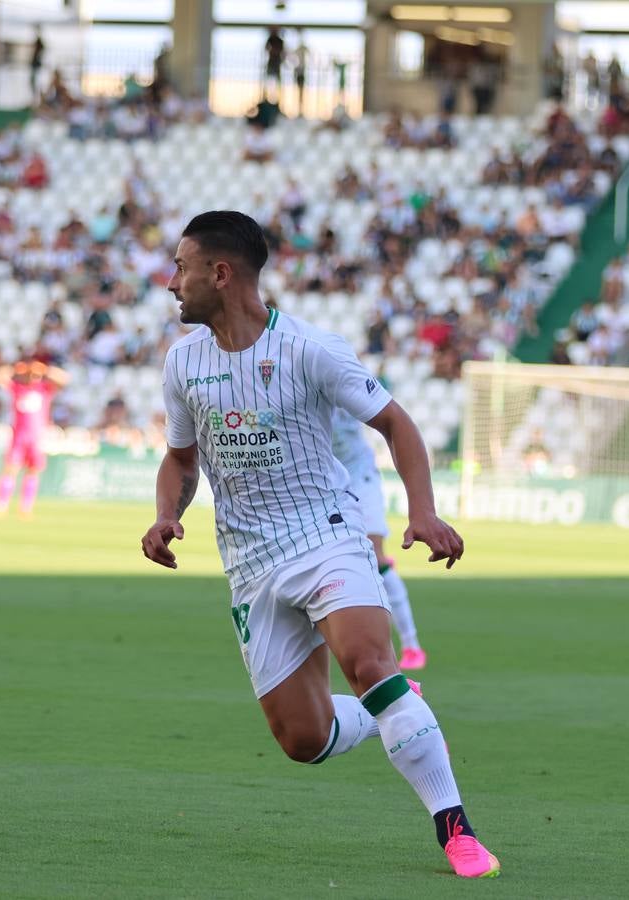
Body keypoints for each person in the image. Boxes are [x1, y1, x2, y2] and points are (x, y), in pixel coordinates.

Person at [141, 211, 498, 878]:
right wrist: (167, 514)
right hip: (248, 562)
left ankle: (455, 827)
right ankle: (392, 709)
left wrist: (422, 511)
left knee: (366, 660)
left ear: (220, 274)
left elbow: (397, 423)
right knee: (304, 740)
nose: (171, 282)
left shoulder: (312, 349)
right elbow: (181, 461)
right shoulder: (183, 362)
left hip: (323, 535)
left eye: (181, 267)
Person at [331, 406, 427, 669]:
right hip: (328, 481)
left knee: (377, 558)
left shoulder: (334, 374)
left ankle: (411, 646)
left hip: (361, 476)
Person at [0, 358, 70, 519]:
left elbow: (65, 379)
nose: (33, 377)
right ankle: (1, 506)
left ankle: (25, 508)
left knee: (33, 472)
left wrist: (45, 370)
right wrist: (17, 368)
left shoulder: (44, 389)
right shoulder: (17, 388)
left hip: (36, 438)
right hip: (19, 436)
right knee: (10, 470)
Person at [291, 32, 309, 116]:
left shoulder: (302, 48)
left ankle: (301, 109)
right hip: (298, 71)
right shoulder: (297, 49)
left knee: (301, 90)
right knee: (298, 90)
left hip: (301, 71)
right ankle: (299, 109)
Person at [30, 26, 45, 100]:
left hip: (36, 65)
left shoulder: (39, 43)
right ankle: (35, 98)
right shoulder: (39, 43)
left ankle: (36, 98)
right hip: (35, 64)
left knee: (35, 82)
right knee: (34, 82)